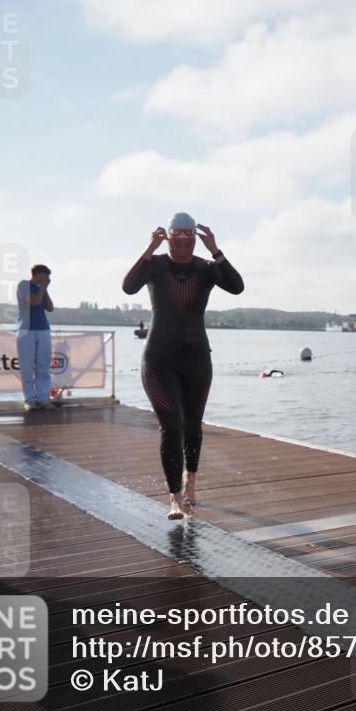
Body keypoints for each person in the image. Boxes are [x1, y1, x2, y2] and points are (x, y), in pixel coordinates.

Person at [122, 212, 244, 520]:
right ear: (169, 237)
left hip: (196, 360)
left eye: (189, 236)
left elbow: (237, 287)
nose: (183, 241)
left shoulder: (205, 268)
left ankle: (191, 480)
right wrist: (148, 248)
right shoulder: (156, 265)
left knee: (193, 425)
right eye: (177, 235)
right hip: (158, 361)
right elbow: (128, 287)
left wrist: (216, 250)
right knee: (172, 426)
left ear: (195, 239)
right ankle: (175, 497)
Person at [16, 264, 54, 410]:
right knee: (27, 367)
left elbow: (50, 308)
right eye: (47, 276)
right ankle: (30, 400)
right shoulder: (23, 285)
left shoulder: (41, 289)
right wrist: (43, 287)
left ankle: (43, 398)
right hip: (26, 330)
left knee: (43, 365)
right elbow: (34, 302)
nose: (48, 279)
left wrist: (45, 289)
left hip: (43, 329)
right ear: (38, 274)